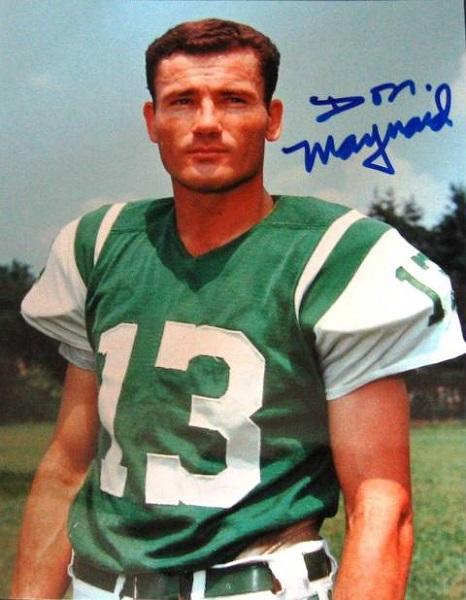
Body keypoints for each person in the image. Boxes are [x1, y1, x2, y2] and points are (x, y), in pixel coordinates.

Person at [11, 18, 465, 600]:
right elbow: (66, 469)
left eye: (233, 99)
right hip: (99, 587)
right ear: (152, 121)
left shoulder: (338, 256)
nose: (206, 122)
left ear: (272, 119)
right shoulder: (99, 245)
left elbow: (380, 504)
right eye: (182, 101)